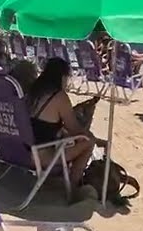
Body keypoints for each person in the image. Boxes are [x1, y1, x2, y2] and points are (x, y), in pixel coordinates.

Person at [28, 58, 97, 197]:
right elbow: (75, 130)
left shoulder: (34, 90)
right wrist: (86, 116)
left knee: (68, 137)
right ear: (62, 76)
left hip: (21, 150)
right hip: (40, 156)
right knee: (89, 141)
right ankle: (72, 187)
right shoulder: (59, 97)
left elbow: (42, 126)